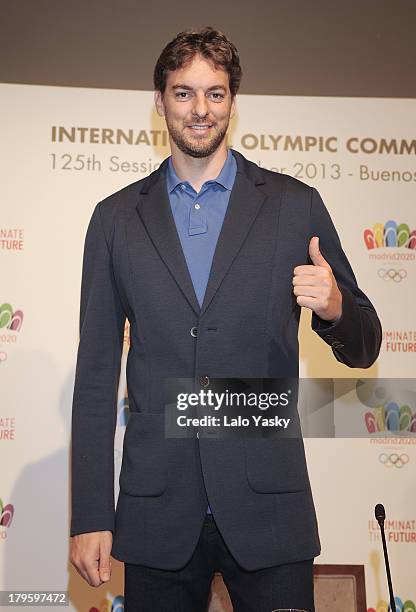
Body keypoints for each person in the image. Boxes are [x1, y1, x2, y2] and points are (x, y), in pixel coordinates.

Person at [69, 27, 382, 612]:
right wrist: (89, 515)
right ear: (159, 101)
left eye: (214, 93)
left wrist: (336, 307)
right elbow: (93, 380)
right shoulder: (114, 220)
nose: (200, 108)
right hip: (157, 508)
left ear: (233, 102)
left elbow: (364, 346)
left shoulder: (294, 205)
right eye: (183, 93)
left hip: (269, 508)